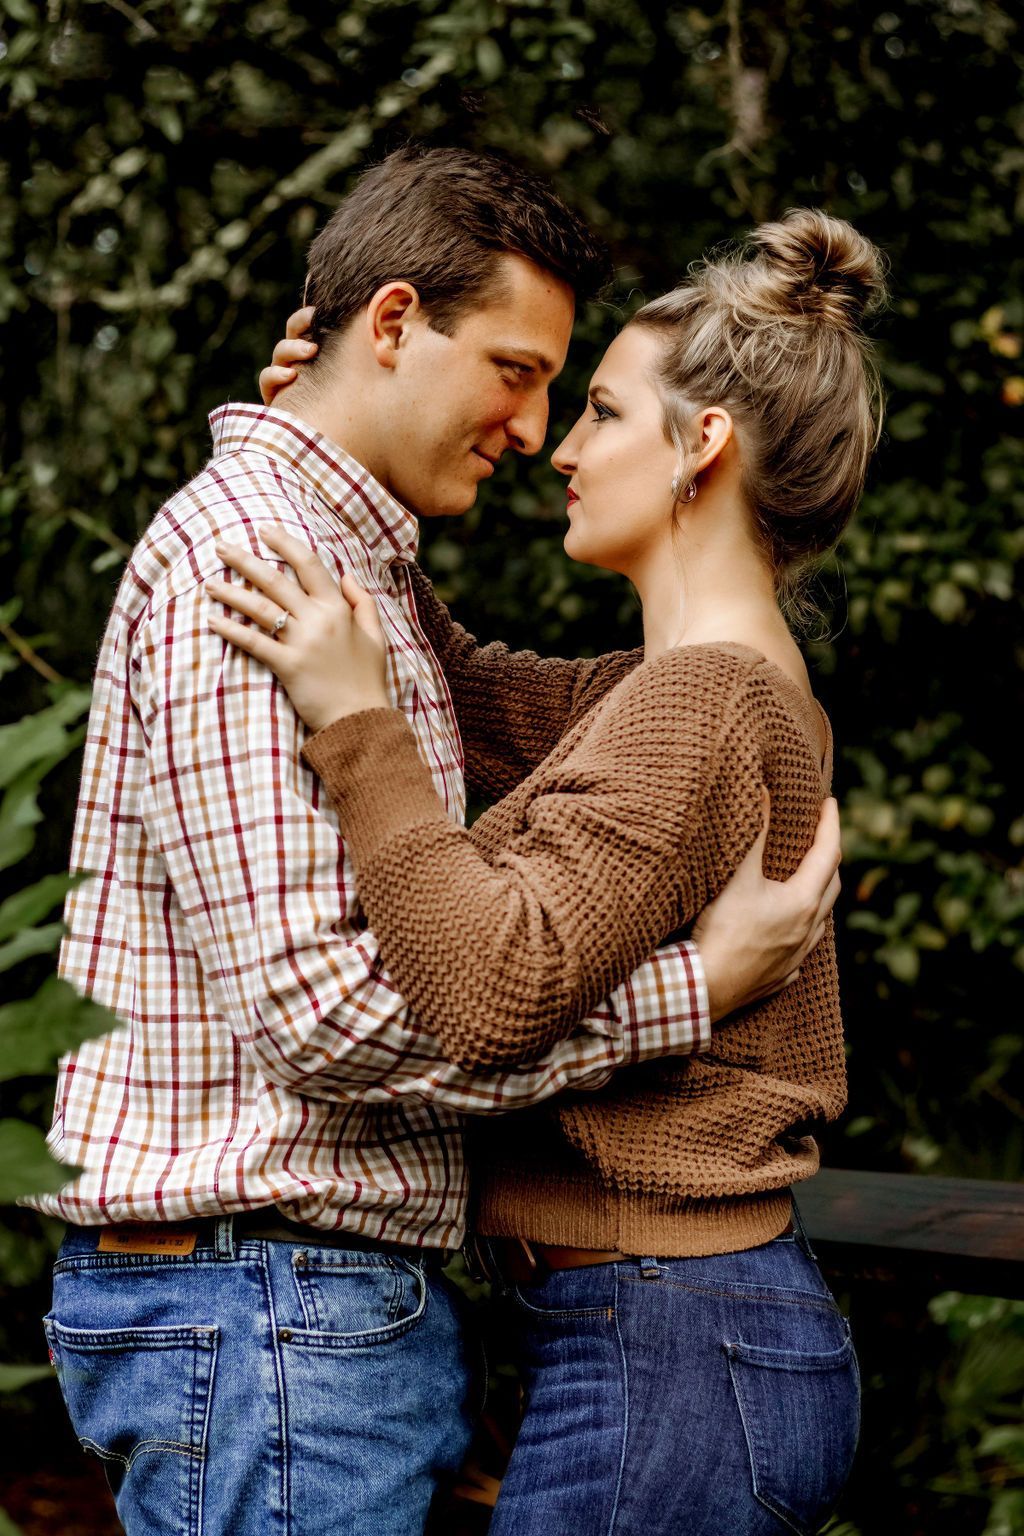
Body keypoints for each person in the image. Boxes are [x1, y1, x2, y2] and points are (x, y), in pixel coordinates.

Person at [28, 147, 839, 1536]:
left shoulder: (694, 698)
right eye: (525, 376)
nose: (546, 439)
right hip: (279, 1304)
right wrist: (696, 991)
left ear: (703, 446)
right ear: (394, 322)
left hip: (526, 1322)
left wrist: (335, 497)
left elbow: (482, 948)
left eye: (586, 403)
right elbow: (331, 1002)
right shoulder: (267, 567)